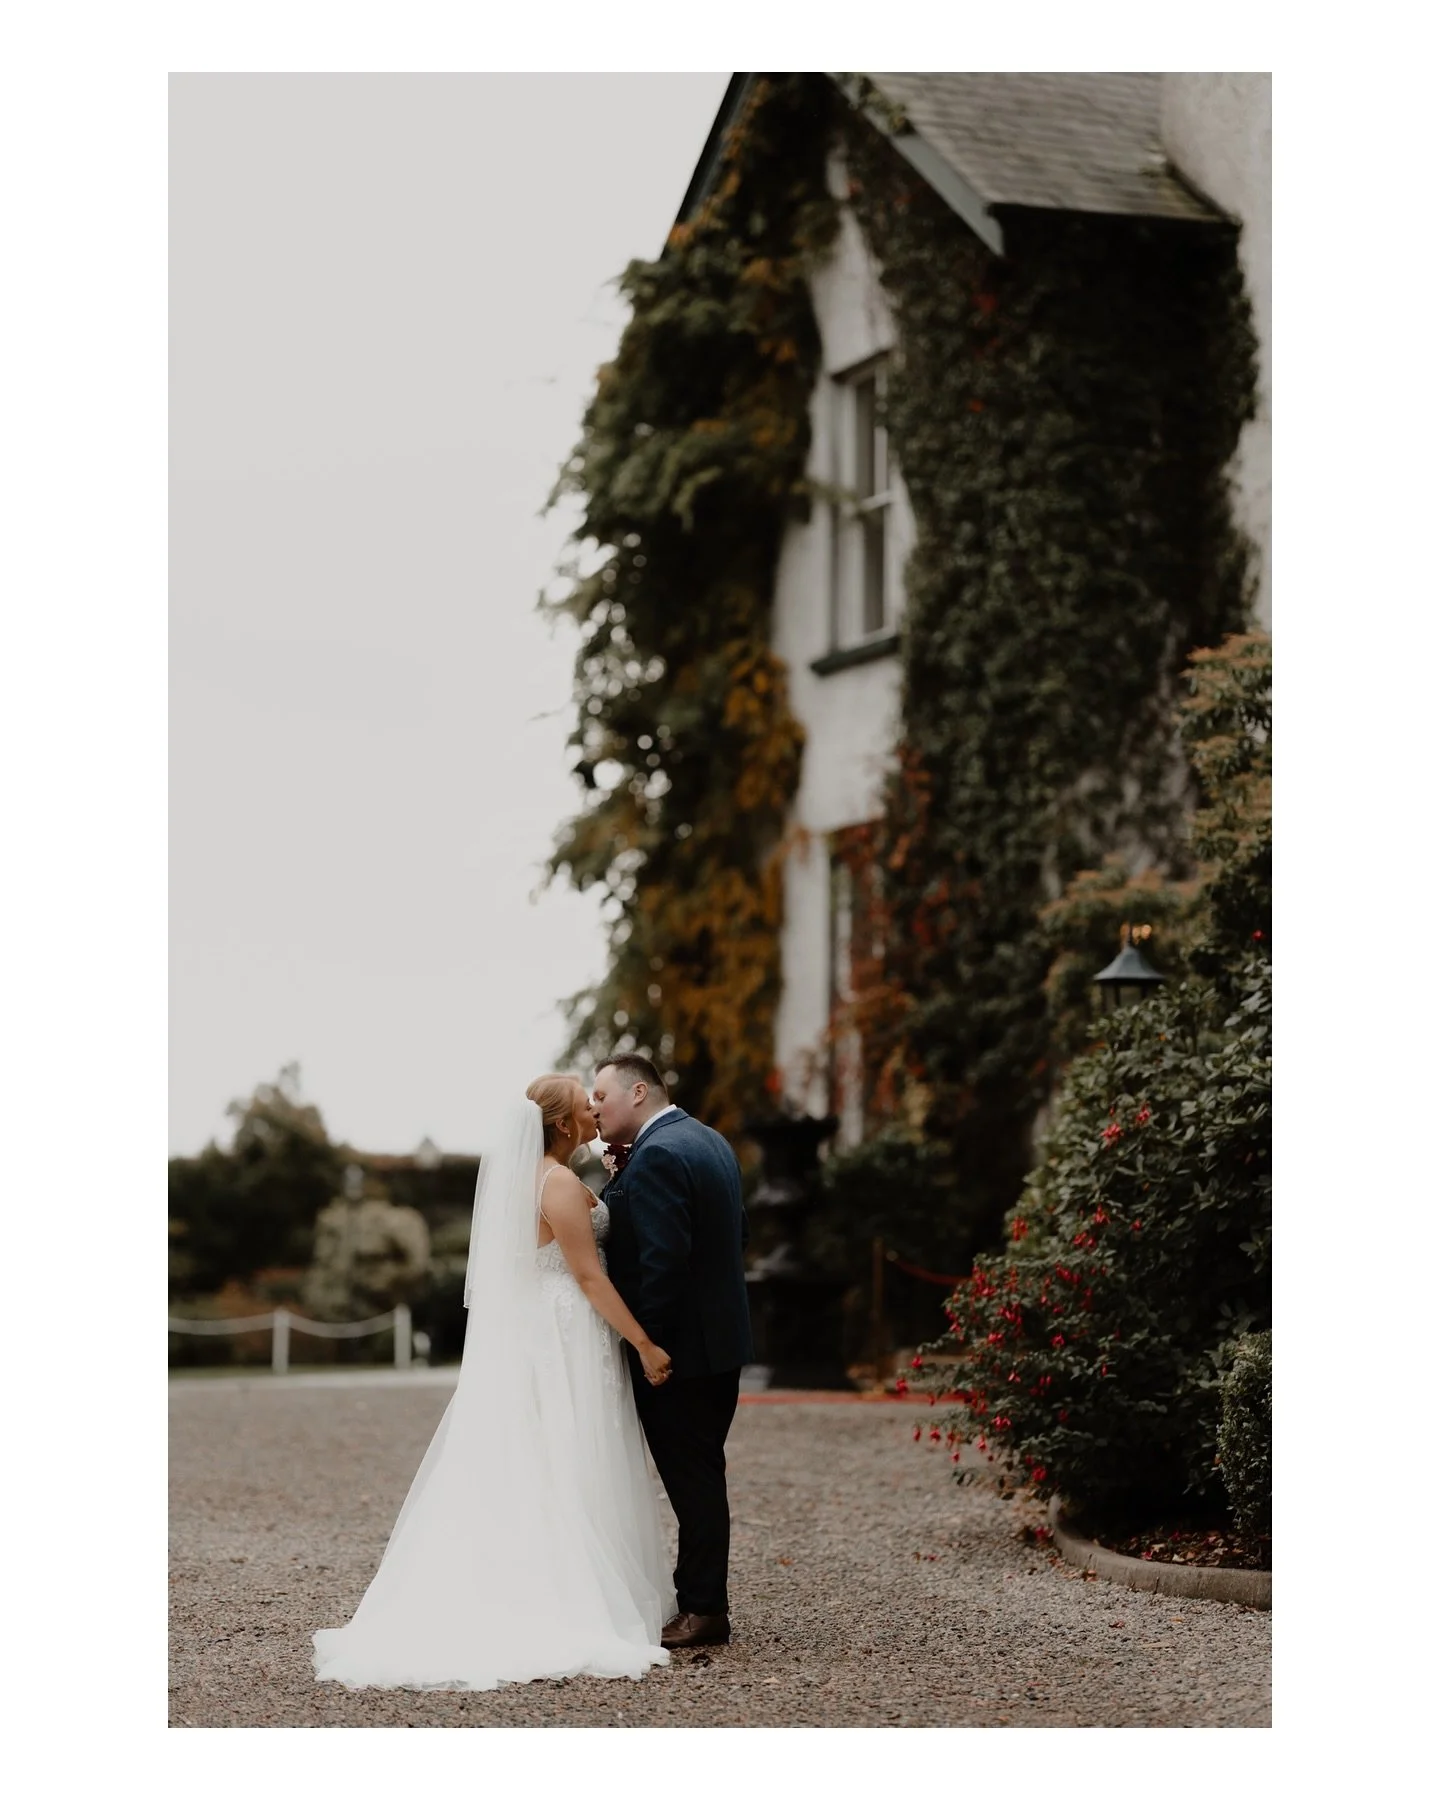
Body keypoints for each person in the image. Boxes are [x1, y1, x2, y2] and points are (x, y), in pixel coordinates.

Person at [312, 1075, 676, 1691]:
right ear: (562, 1124)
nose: (594, 1110)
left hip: (549, 1325)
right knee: (566, 1453)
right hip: (565, 1331)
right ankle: (569, 1597)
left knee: (548, 1452)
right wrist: (644, 1343)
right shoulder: (558, 1184)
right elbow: (588, 1276)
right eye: (584, 1105)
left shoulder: (533, 1180)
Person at [592, 1054, 753, 1650]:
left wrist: (646, 1344)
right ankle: (701, 1602)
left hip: (679, 1352)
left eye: (601, 1096)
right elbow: (736, 1235)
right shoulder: (708, 1140)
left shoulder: (659, 1154)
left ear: (638, 1092)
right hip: (720, 1342)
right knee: (702, 1471)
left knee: (693, 1480)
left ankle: (704, 1610)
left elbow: (662, 1264)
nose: (594, 1108)